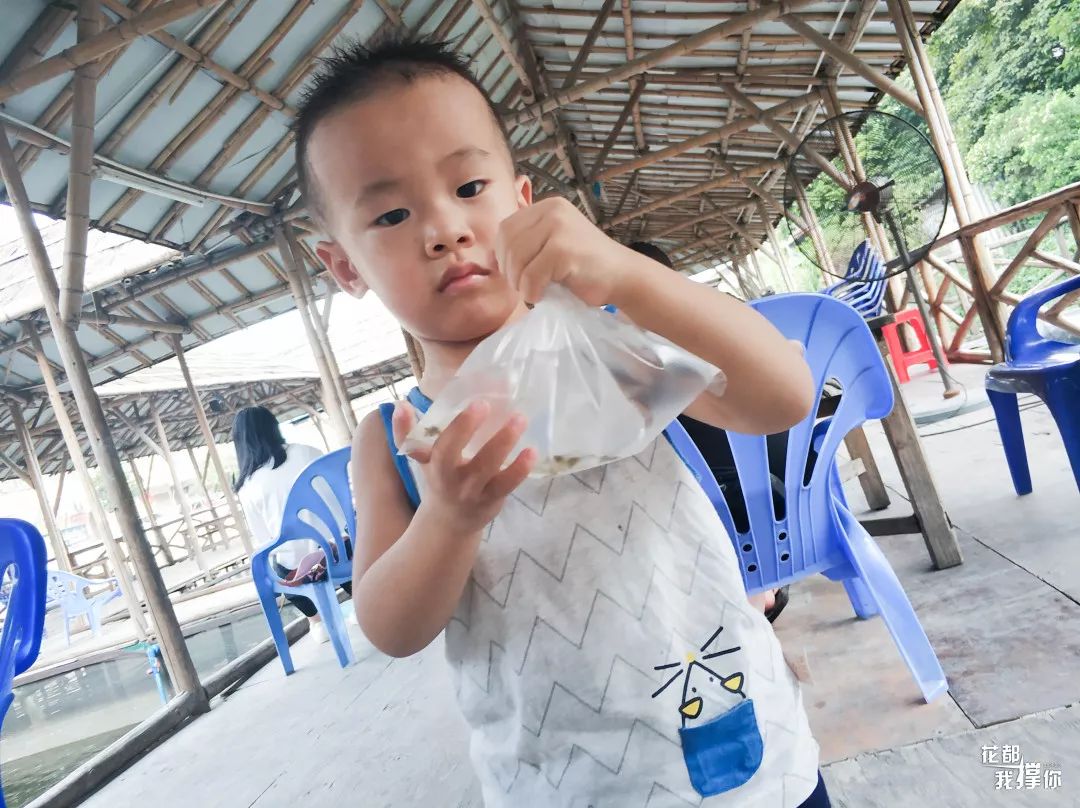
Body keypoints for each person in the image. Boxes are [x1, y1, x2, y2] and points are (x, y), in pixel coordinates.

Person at [299, 35, 830, 807]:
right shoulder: (391, 439)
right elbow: (391, 626)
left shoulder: (606, 345)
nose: (444, 228)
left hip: (750, 758)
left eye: (469, 186)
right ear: (344, 265)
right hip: (562, 784)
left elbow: (783, 395)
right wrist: (448, 518)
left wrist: (623, 270)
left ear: (522, 197)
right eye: (390, 213)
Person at [626, 242, 810, 623]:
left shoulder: (632, 356)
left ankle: (754, 589)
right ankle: (760, 587)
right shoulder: (730, 315)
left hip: (726, 510)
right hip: (799, 491)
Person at [232, 406, 351, 644]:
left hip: (300, 572)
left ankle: (317, 621)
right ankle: (362, 598)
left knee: (278, 566)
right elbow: (341, 499)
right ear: (274, 428)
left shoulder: (247, 486)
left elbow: (266, 540)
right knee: (340, 540)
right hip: (345, 552)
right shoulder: (309, 452)